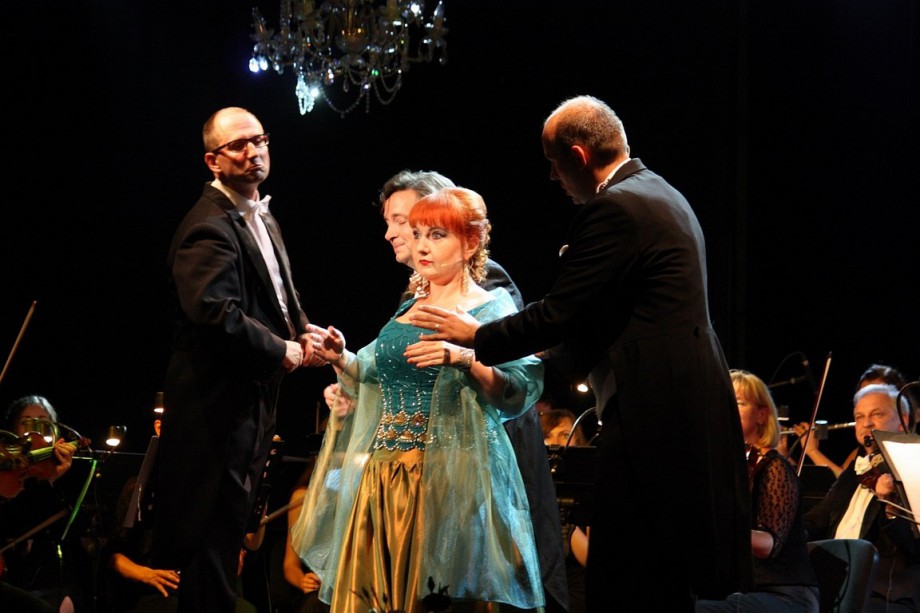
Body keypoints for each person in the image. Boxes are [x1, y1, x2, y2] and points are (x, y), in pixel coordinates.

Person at [410, 95, 753, 611]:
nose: (553, 178)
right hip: (676, 403)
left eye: (554, 165)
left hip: (657, 410)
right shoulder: (659, 192)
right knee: (652, 570)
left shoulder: (615, 208)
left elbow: (563, 311)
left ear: (578, 155)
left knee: (628, 574)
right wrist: (539, 369)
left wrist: (476, 335)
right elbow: (601, 316)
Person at [324, 169, 568, 611]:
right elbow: (372, 371)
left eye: (435, 235)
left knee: (436, 595)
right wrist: (340, 356)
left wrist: (465, 358)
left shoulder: (490, 306)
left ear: (470, 243)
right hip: (385, 475)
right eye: (417, 234)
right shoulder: (410, 306)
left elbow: (518, 390)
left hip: (449, 477)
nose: (419, 246)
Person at [152, 106, 321, 613]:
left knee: (230, 532)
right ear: (213, 161)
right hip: (216, 409)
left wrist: (304, 331)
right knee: (211, 537)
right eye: (238, 145)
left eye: (259, 140)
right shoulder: (207, 226)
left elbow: (277, 294)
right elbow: (214, 313)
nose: (253, 152)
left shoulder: (261, 215)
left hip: (250, 400)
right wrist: (282, 348)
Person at [696, 370, 819, 612]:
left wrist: (717, 527)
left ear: (762, 414)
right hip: (739, 591)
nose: (727, 408)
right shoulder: (724, 468)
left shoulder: (774, 467)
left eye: (739, 402)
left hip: (784, 595)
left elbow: (767, 544)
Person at [804, 383, 920, 613]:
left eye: (877, 414)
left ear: (903, 421)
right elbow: (819, 517)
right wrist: (783, 535)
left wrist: (891, 507)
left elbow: (913, 547)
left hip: (883, 591)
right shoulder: (855, 471)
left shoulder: (912, 464)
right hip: (835, 580)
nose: (866, 423)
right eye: (859, 417)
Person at [0, 395, 84, 613]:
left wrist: (54, 477)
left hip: (49, 572)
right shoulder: (6, 470)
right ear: (13, 428)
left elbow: (67, 533)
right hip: (10, 570)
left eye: (42, 423)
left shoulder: (63, 475)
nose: (34, 432)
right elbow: (14, 523)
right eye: (26, 422)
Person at [789, 363, 916, 478]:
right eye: (860, 416)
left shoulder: (911, 456)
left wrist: (812, 451)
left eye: (877, 391)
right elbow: (841, 487)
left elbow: (840, 480)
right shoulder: (861, 452)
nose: (866, 423)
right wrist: (785, 457)